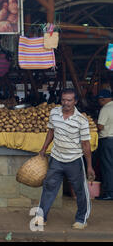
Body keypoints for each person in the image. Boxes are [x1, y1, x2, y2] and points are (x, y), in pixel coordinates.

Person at [36, 88, 95, 230]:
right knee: (49, 187)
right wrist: (44, 148)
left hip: (74, 160)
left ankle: (81, 219)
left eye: (69, 100)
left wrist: (89, 166)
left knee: (80, 190)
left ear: (75, 101)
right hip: (56, 158)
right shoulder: (54, 113)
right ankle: (41, 217)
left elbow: (86, 144)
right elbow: (51, 131)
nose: (66, 103)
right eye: (63, 100)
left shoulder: (81, 120)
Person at [96, 89, 113, 200]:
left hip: (107, 141)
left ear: (102, 99)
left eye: (99, 100)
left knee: (107, 166)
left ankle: (109, 193)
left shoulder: (106, 109)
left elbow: (100, 126)